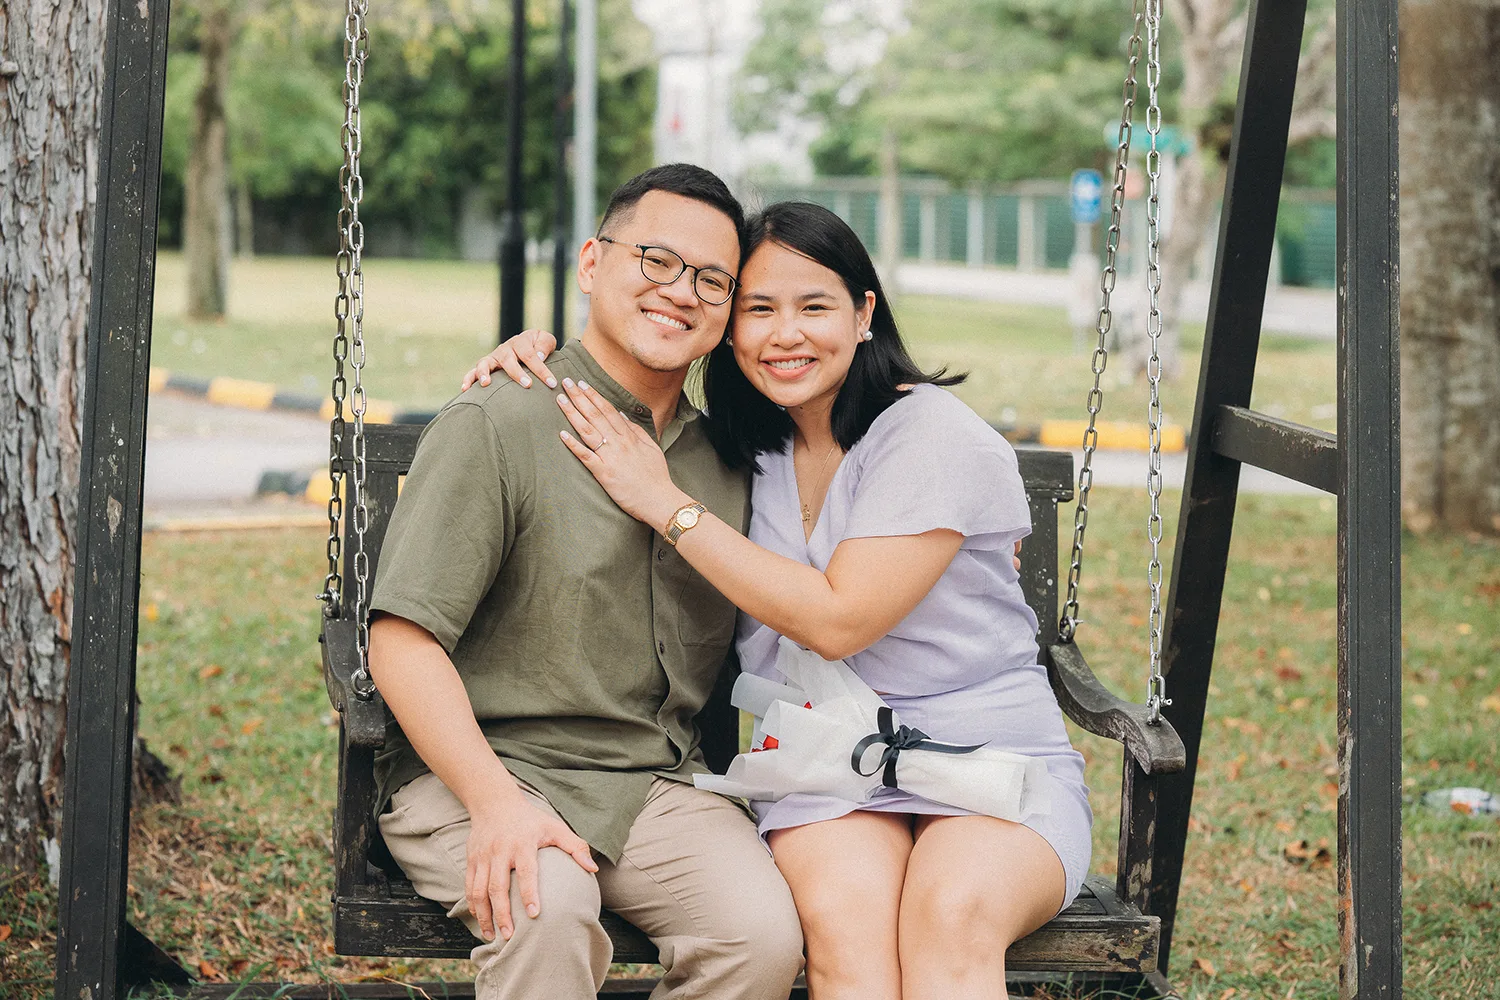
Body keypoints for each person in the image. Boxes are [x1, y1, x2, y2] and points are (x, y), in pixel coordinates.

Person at [465, 201, 1093, 1000]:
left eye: (815, 306)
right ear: (728, 327)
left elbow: (838, 620)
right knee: (842, 928)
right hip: (826, 762)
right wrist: (543, 355)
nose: (784, 333)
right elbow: (637, 354)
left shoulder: (931, 435)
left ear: (865, 313)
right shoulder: (744, 445)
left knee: (952, 915)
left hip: (989, 758)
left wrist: (668, 506)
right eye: (758, 309)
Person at [366, 163, 804, 1000]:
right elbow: (402, 638)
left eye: (713, 280)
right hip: (482, 771)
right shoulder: (500, 419)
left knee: (759, 934)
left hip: (653, 786)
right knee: (545, 907)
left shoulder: (728, 461)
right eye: (657, 261)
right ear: (593, 264)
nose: (682, 292)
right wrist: (494, 802)